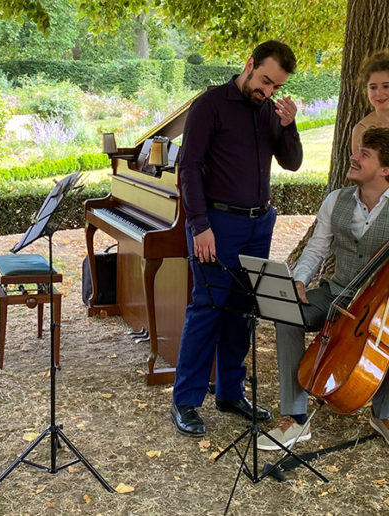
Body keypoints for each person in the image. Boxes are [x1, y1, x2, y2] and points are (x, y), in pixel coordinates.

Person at [171, 40, 303, 437]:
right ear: (249, 64)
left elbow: (292, 162)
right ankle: (186, 401)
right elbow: (188, 167)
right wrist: (199, 225)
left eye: (276, 86)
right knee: (208, 308)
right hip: (217, 224)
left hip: (258, 225)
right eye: (265, 81)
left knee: (242, 312)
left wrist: (289, 125)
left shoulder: (269, 111)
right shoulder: (210, 104)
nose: (268, 91)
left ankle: (230, 392)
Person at [257, 126, 389, 450]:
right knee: (286, 313)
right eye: (356, 151)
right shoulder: (336, 200)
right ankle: (295, 418)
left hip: (379, 304)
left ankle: (384, 413)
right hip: (335, 292)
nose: (353, 157)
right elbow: (316, 249)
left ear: (385, 170)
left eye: (364, 154)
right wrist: (300, 280)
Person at [352, 50, 389, 153]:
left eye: (386, 86)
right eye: (373, 87)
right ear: (366, 90)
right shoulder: (361, 130)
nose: (379, 93)